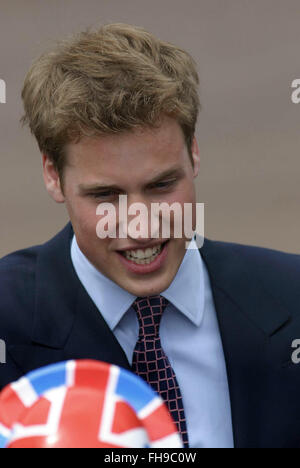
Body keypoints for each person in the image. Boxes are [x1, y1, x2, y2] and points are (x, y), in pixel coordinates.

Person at [0, 23, 299, 448]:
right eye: (106, 195)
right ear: (52, 175)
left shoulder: (293, 297)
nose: (141, 225)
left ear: (193, 153)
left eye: (161, 185)